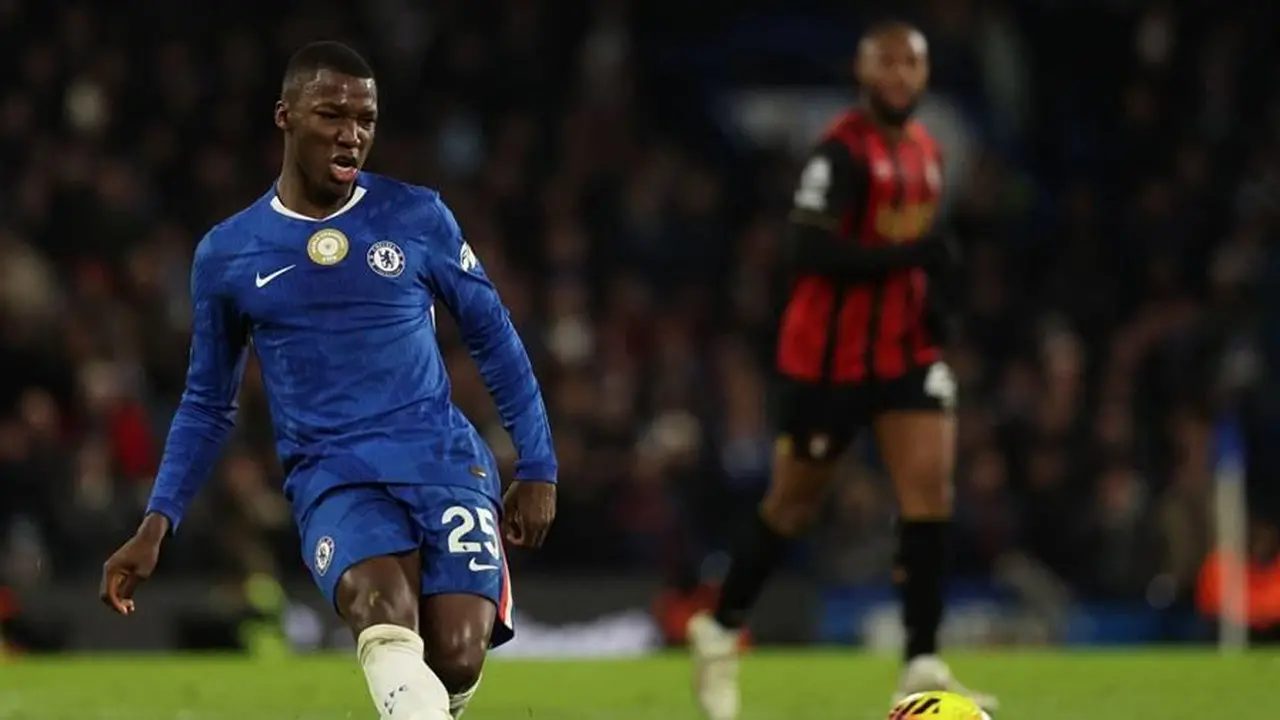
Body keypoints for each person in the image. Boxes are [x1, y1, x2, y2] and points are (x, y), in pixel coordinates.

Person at [98, 41, 557, 720]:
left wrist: (539, 464)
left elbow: (493, 336)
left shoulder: (417, 216)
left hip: (442, 460)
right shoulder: (229, 253)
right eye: (332, 114)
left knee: (456, 657)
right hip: (333, 474)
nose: (352, 134)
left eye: (366, 119)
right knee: (382, 613)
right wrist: (157, 522)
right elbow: (207, 404)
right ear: (285, 116)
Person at [686, 22, 995, 719]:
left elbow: (924, 252)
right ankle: (721, 628)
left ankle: (922, 660)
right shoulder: (840, 153)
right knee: (792, 506)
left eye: (911, 63)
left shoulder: (928, 151)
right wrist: (912, 259)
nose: (899, 75)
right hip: (829, 360)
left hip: (905, 352)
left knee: (928, 492)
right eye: (887, 62)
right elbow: (806, 250)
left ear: (924, 74)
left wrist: (937, 306)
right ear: (862, 72)